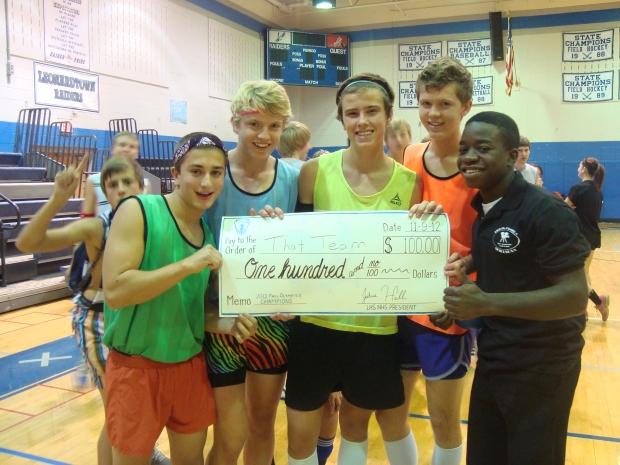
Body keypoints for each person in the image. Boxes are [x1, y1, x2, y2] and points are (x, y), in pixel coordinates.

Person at [286, 72, 440, 465]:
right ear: (341, 120)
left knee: (357, 426)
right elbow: (296, 245)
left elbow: (412, 261)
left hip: (376, 331)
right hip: (315, 327)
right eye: (352, 113)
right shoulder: (314, 173)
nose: (362, 121)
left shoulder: (409, 183)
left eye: (371, 111)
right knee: (300, 437)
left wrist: (428, 228)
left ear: (388, 115)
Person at [443, 111, 590, 465]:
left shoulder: (547, 211)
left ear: (512, 156)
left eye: (482, 148)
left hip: (543, 366)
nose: (469, 156)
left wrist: (486, 303)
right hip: (495, 356)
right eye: (464, 148)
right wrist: (467, 273)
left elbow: (574, 296)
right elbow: (505, 256)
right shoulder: (485, 207)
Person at [102, 132, 256, 465]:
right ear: (175, 173)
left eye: (216, 173)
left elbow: (188, 308)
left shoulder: (207, 234)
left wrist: (226, 323)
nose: (206, 181)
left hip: (188, 366)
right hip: (136, 370)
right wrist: (187, 265)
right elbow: (116, 291)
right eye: (196, 170)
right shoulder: (138, 210)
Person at [16, 157, 148, 465]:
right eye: (112, 185)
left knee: (126, 410)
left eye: (127, 182)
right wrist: (58, 199)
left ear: (142, 187)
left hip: (130, 316)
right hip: (98, 318)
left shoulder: (152, 221)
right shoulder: (96, 226)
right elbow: (26, 242)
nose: (120, 189)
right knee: (116, 410)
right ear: (104, 194)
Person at [204, 80, 299, 465]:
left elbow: (305, 249)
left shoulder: (293, 177)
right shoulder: (212, 173)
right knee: (228, 432)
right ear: (235, 123)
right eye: (255, 124)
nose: (265, 135)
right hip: (220, 319)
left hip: (271, 322)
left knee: (262, 424)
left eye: (275, 126)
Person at [400, 56, 476, 465]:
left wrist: (467, 267)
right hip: (402, 304)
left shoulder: (479, 161)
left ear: (465, 106)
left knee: (443, 419)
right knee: (392, 411)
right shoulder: (411, 154)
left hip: (449, 312)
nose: (433, 112)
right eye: (426, 102)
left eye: (444, 103)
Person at [566, 157, 609, 320]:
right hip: (592, 237)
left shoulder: (578, 188)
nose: (578, 168)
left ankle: (599, 303)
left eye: (579, 165)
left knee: (580, 279)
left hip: (580, 238)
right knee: (584, 274)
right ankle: (583, 310)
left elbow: (563, 208)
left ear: (584, 168)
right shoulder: (598, 190)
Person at [82, 132, 143, 217]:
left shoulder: (145, 183)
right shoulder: (93, 181)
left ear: (137, 153)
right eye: (122, 145)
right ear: (113, 149)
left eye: (132, 147)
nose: (126, 149)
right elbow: (87, 217)